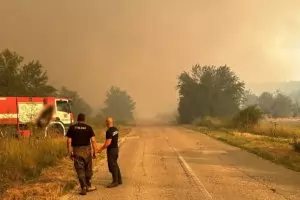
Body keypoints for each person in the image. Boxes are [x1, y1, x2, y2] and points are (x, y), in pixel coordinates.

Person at [66, 113, 97, 195]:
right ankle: (88, 186)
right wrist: (95, 152)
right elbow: (93, 141)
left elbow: (69, 141)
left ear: (77, 119)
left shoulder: (72, 128)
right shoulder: (89, 128)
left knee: (80, 170)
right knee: (88, 169)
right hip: (87, 150)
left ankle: (83, 187)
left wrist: (70, 152)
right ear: (84, 119)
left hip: (77, 151)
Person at [98, 117, 122, 188]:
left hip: (111, 150)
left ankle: (115, 182)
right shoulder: (116, 129)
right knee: (115, 164)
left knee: (112, 165)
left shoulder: (109, 131)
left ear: (107, 122)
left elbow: (108, 142)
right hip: (116, 149)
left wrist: (101, 149)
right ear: (112, 122)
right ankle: (119, 180)